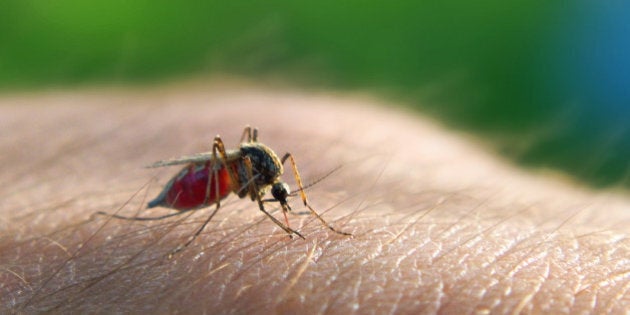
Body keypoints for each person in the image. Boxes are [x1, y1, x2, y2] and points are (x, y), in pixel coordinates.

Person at [2, 82, 628, 313]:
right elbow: (252, 168)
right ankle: (186, 208)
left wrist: (300, 207)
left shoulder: (272, 171)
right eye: (277, 193)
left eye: (278, 192)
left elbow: (274, 173)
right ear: (267, 184)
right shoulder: (249, 171)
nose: (276, 196)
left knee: (260, 147)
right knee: (233, 160)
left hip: (226, 172)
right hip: (207, 180)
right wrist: (230, 186)